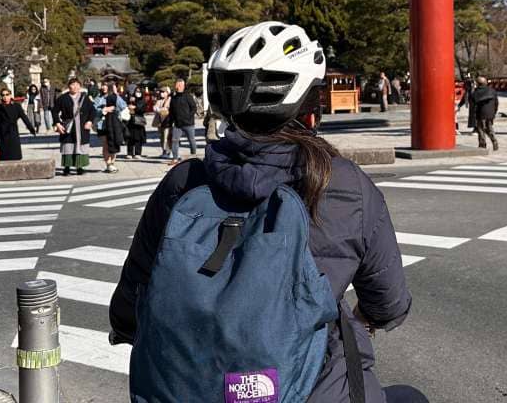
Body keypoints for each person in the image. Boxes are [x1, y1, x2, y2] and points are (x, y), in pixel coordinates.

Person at [108, 21, 419, 403]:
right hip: (316, 389)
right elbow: (388, 300)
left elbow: (135, 293)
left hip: (190, 386)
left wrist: (128, 329)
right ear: (310, 107)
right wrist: (372, 317)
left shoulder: (184, 183)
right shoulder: (343, 184)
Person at [53, 78, 96, 176]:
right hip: (69, 127)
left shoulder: (85, 98)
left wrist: (89, 121)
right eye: (73, 84)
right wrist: (58, 123)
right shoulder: (63, 98)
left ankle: (80, 167)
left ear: (80, 86)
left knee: (80, 147)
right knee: (68, 147)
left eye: (77, 84)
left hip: (82, 127)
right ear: (69, 86)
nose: (75, 86)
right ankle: (66, 168)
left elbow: (92, 111)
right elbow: (54, 111)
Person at [0, 88, 38, 161]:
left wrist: (31, 128)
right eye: (3, 95)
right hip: (3, 133)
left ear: (10, 95)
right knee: (4, 155)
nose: (5, 97)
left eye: (7, 94)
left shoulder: (16, 106)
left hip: (13, 131)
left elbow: (24, 118)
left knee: (15, 154)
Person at [94, 82, 127, 173]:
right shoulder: (99, 98)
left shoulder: (115, 97)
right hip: (102, 124)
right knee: (106, 144)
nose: (104, 87)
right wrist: (103, 110)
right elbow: (93, 109)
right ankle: (108, 164)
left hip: (114, 124)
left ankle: (112, 162)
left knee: (114, 142)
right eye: (103, 85)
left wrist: (117, 96)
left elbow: (123, 106)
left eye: (106, 85)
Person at [168, 79, 198, 164]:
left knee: (191, 140)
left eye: (179, 85)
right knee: (174, 140)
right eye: (177, 85)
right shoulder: (173, 98)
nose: (177, 87)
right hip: (177, 124)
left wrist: (188, 117)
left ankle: (193, 155)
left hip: (188, 124)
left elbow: (194, 108)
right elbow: (171, 111)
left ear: (183, 86)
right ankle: (175, 158)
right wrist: (170, 123)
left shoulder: (188, 96)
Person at [470, 76, 499, 151]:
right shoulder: (492, 91)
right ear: (485, 83)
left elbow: (472, 104)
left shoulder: (475, 93)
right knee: (489, 128)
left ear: (477, 84)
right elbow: (496, 103)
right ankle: (494, 140)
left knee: (481, 129)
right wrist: (494, 112)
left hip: (480, 113)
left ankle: (482, 144)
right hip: (490, 113)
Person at [126, 86, 150, 159]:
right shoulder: (130, 99)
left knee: (138, 138)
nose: (138, 93)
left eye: (139, 92)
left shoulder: (142, 100)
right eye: (136, 91)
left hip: (139, 121)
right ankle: (129, 153)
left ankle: (138, 153)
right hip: (130, 121)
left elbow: (143, 109)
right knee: (130, 137)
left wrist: (135, 107)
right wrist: (129, 102)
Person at [153, 86, 172, 158]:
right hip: (160, 122)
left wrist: (161, 109)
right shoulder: (159, 100)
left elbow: (168, 108)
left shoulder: (170, 100)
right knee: (161, 136)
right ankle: (164, 150)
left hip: (167, 121)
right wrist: (161, 109)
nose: (162, 93)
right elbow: (155, 108)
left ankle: (168, 151)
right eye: (161, 92)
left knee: (167, 136)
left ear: (167, 93)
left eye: (163, 92)